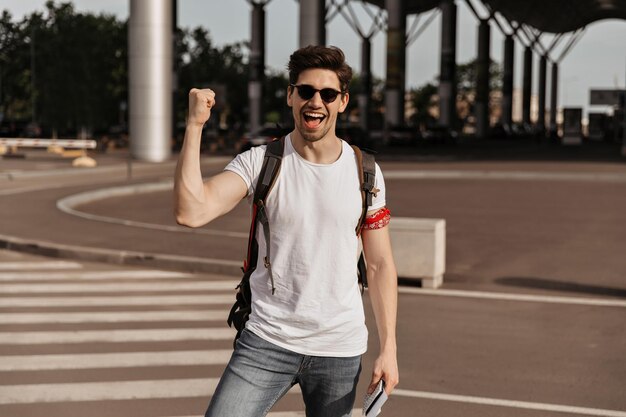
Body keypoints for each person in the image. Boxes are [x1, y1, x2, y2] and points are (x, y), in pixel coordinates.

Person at [174, 45, 398, 417]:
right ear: (291, 95)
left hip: (339, 348)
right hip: (267, 340)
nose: (316, 102)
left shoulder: (366, 172)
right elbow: (190, 212)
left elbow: (379, 265)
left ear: (342, 102)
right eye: (306, 91)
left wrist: (388, 347)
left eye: (328, 94)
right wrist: (195, 125)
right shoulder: (261, 162)